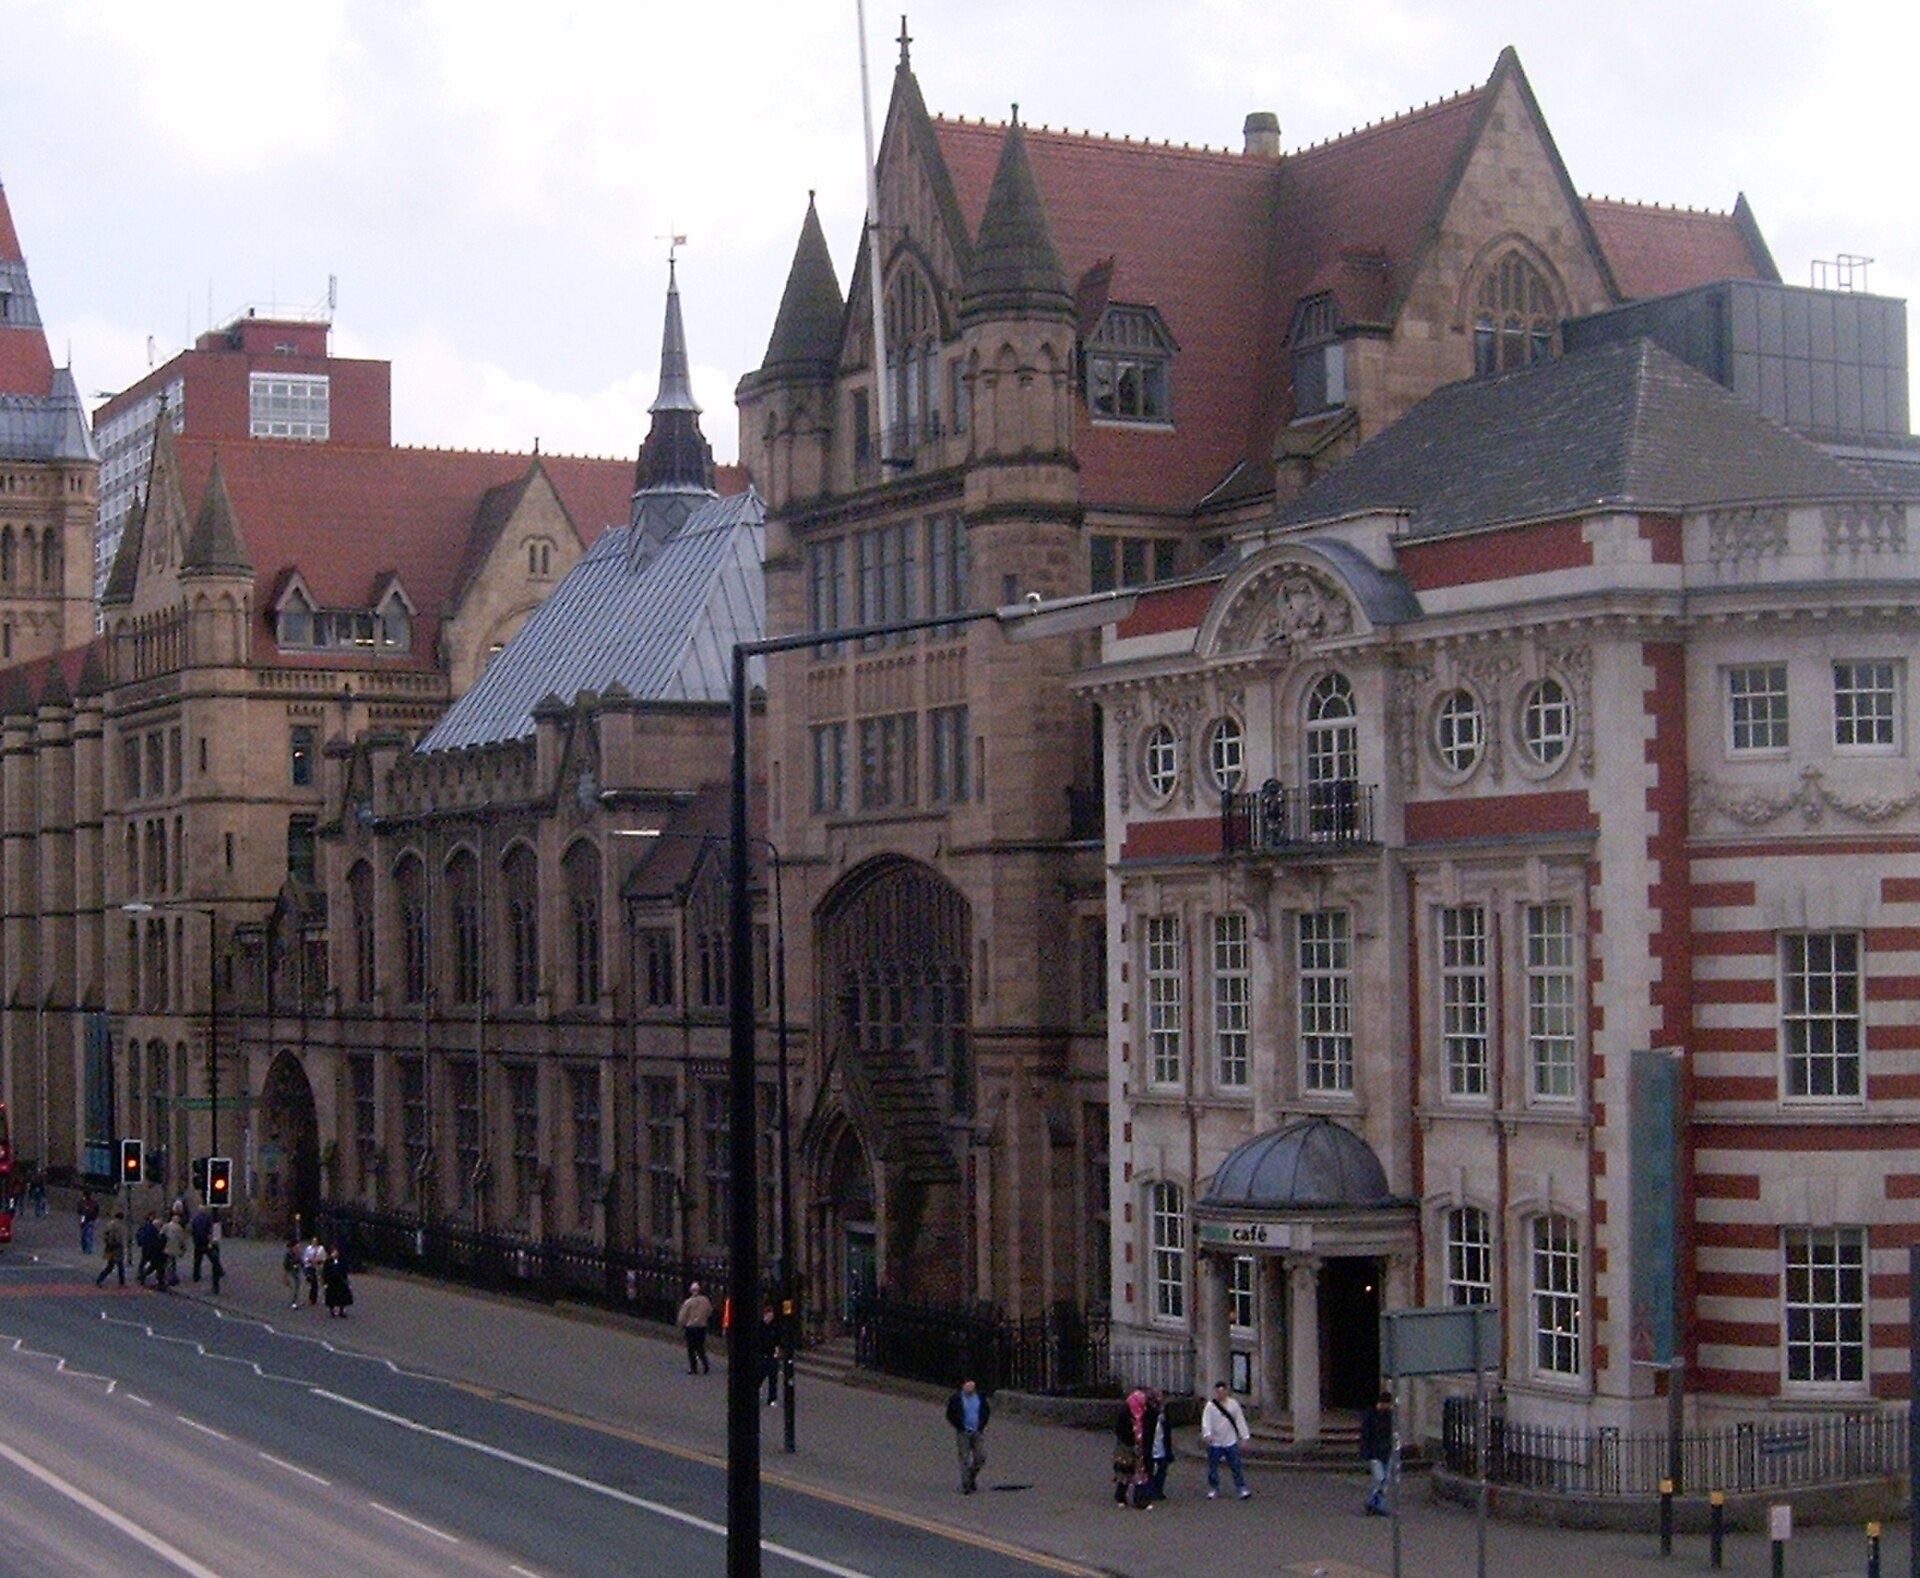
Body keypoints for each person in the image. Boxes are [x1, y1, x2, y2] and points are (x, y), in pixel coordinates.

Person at [1199, 1380, 1252, 1500]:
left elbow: (1240, 1420)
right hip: (1215, 1442)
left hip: (1230, 1440)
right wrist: (1207, 1434)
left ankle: (1241, 1487)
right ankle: (1214, 1488)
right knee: (1213, 1466)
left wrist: (1244, 1437)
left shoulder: (1233, 1404)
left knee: (1236, 1465)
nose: (1221, 1394)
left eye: (1223, 1391)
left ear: (1227, 1392)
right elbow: (1206, 1421)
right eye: (1218, 1392)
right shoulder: (1210, 1406)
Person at [1113, 1387, 1158, 1508]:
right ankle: (1122, 1496)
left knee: (1139, 1473)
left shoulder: (1149, 1412)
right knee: (1126, 1472)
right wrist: (1131, 1438)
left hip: (1140, 1446)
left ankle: (1138, 1499)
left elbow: (1151, 1430)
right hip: (1128, 1446)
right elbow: (1119, 1429)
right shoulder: (1126, 1411)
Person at [945, 1378, 990, 1494]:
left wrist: (981, 1425)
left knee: (980, 1457)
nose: (969, 1388)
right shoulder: (956, 1399)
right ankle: (966, 1485)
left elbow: (986, 1412)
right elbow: (950, 1414)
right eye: (967, 1386)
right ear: (963, 1386)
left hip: (977, 1432)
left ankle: (971, 1476)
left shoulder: (980, 1398)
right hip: (963, 1432)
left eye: (972, 1386)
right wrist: (959, 1425)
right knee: (964, 1458)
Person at [1361, 1387, 1395, 1516]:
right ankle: (1371, 1502)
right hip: (1375, 1452)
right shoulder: (1371, 1415)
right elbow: (1366, 1434)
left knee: (1385, 1480)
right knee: (1379, 1478)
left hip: (1386, 1451)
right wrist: (1366, 1451)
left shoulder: (1390, 1416)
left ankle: (1378, 1504)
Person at [676, 1281, 713, 1374]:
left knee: (691, 1349)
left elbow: (682, 1315)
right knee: (700, 1347)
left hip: (691, 1327)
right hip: (702, 1327)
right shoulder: (705, 1300)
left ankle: (694, 1368)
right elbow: (709, 1311)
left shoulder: (689, 1302)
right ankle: (705, 1364)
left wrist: (680, 1324)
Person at [1146, 1388, 1175, 1501]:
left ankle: (1159, 1490)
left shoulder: (1164, 1414)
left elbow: (1167, 1431)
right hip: (1151, 1446)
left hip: (1162, 1446)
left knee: (1162, 1469)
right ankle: (1151, 1491)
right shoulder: (1148, 1413)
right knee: (1150, 1470)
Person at [95, 1211, 126, 1288]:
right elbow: (118, 1237)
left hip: (109, 1247)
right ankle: (122, 1282)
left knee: (110, 1266)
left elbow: (106, 1235)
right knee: (120, 1265)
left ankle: (99, 1279)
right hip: (117, 1248)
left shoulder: (109, 1224)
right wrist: (118, 1243)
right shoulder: (118, 1226)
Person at [322, 1246, 354, 1318]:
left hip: (340, 1281)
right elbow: (325, 1272)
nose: (334, 1254)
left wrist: (346, 1280)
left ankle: (341, 1311)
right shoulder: (328, 1262)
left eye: (336, 1252)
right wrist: (325, 1282)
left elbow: (345, 1271)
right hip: (331, 1281)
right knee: (331, 1296)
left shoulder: (342, 1261)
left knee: (342, 1296)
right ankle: (332, 1311)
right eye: (333, 1252)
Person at [160, 1210, 189, 1289]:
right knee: (172, 1262)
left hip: (166, 1247)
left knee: (167, 1262)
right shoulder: (179, 1228)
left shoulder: (166, 1226)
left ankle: (166, 1276)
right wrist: (184, 1248)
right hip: (174, 1247)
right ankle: (171, 1277)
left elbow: (161, 1234)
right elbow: (181, 1239)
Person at [133, 1213, 162, 1287]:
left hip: (145, 1247)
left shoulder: (145, 1226)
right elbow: (155, 1241)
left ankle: (141, 1275)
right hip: (151, 1249)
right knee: (154, 1264)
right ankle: (144, 1276)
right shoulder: (153, 1229)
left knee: (144, 1262)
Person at [760, 1304, 781, 1406]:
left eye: (772, 1316)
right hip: (762, 1355)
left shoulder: (774, 1326)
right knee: (759, 1376)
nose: (770, 1318)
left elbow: (777, 1340)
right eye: (769, 1316)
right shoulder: (760, 1326)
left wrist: (777, 1350)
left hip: (772, 1355)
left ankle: (772, 1398)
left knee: (773, 1378)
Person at [189, 1205, 214, 1282]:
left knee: (197, 1260)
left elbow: (192, 1230)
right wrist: (210, 1238)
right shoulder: (208, 1218)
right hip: (205, 1241)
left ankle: (196, 1276)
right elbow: (210, 1229)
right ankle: (218, 1270)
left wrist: (194, 1239)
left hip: (197, 1242)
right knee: (212, 1256)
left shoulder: (195, 1219)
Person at [302, 1234, 326, 1305]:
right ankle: (311, 1298)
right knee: (312, 1282)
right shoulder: (308, 1248)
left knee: (317, 1283)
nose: (314, 1242)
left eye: (315, 1241)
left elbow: (324, 1258)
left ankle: (314, 1298)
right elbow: (305, 1258)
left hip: (318, 1267)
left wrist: (318, 1261)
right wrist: (310, 1260)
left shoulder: (321, 1249)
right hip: (309, 1267)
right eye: (313, 1241)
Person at [78, 1188, 99, 1256]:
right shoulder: (94, 1202)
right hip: (90, 1220)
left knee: (85, 1235)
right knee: (88, 1235)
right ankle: (88, 1249)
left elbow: (79, 1210)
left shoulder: (83, 1202)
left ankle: (87, 1249)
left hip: (85, 1219)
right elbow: (97, 1210)